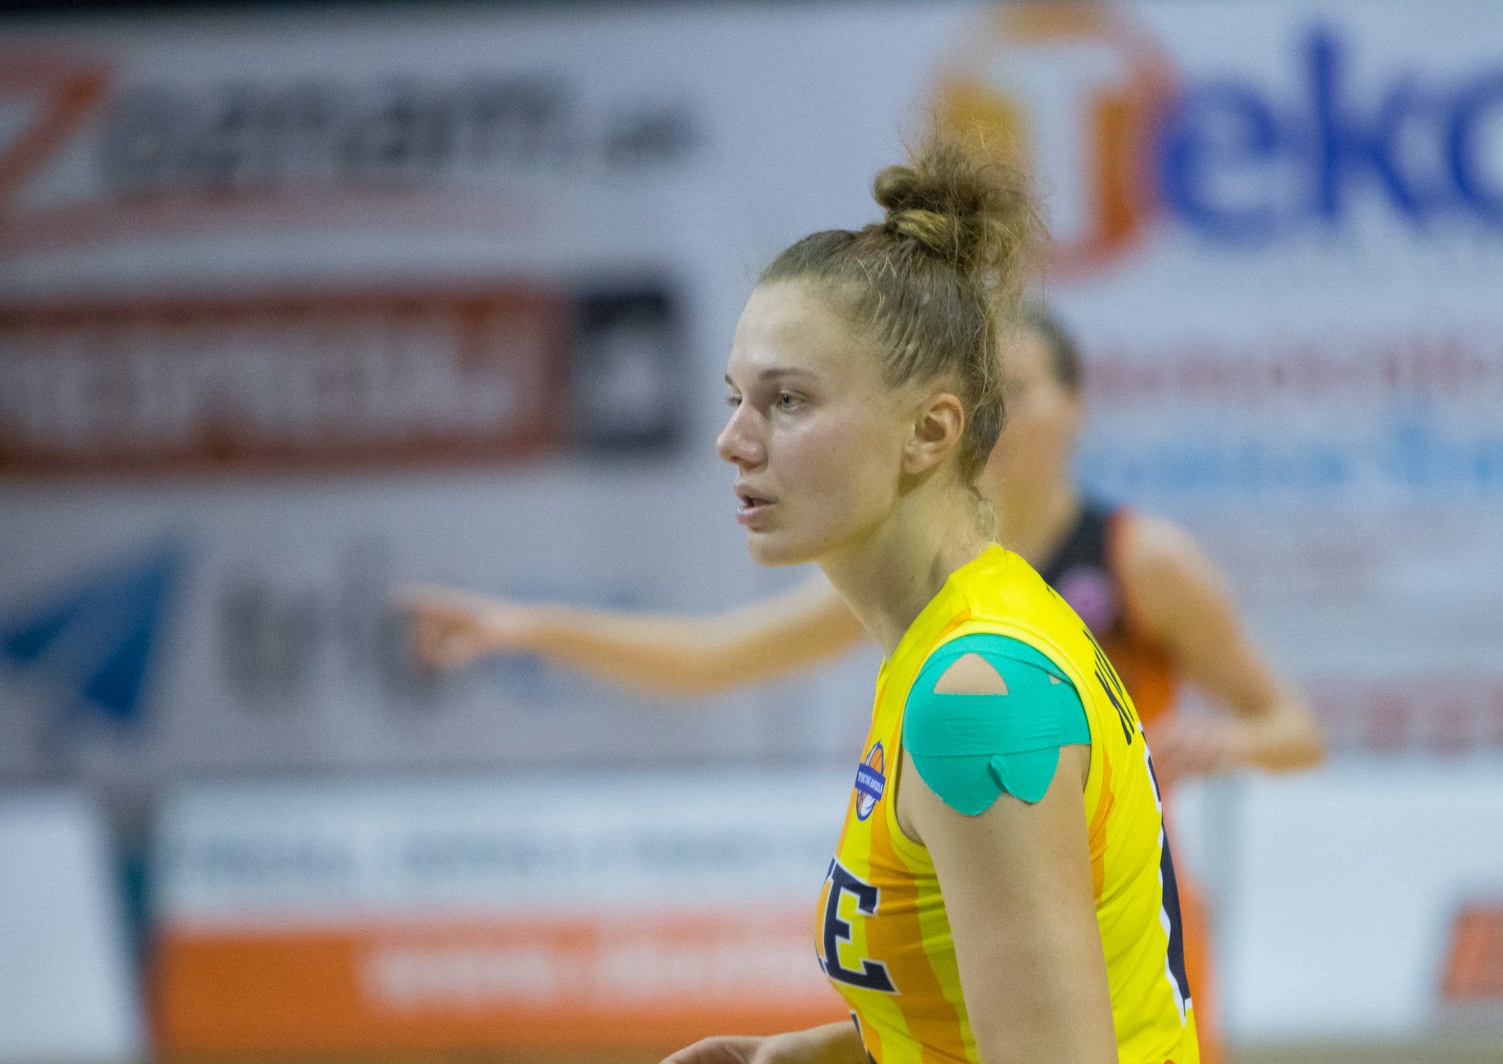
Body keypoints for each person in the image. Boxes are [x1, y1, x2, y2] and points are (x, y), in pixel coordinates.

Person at [403, 256, 1322, 1064]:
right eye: (735, 398)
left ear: (938, 426)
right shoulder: (953, 617)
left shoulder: (991, 675)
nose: (733, 440)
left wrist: (1228, 745)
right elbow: (710, 655)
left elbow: (1294, 729)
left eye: (788, 400)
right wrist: (857, 1045)